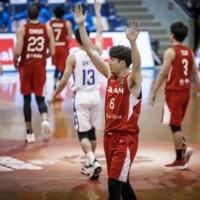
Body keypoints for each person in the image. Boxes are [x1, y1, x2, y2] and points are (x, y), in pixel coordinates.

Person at [71, 4, 142, 200]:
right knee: (123, 183)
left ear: (122, 63)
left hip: (124, 140)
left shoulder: (132, 82)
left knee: (113, 186)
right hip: (109, 138)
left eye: (112, 60)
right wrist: (82, 26)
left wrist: (133, 44)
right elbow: (92, 52)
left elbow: (137, 67)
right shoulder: (110, 76)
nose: (108, 62)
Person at [47, 2, 103, 180]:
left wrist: (54, 95)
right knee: (92, 131)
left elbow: (63, 81)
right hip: (96, 96)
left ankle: (93, 161)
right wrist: (98, 12)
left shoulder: (73, 57)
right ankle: (89, 163)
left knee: (83, 134)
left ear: (76, 39)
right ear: (88, 37)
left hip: (81, 97)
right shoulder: (97, 51)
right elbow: (100, 32)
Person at [150, 22, 200, 170]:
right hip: (186, 91)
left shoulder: (171, 52)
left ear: (172, 35)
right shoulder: (189, 51)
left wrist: (154, 92)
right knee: (174, 123)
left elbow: (162, 73)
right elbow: (195, 73)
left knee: (174, 124)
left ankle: (180, 159)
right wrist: (198, 90)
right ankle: (183, 147)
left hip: (175, 92)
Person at [13, 5, 55, 143]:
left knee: (26, 100)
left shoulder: (22, 29)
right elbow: (52, 52)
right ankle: (44, 119)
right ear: (39, 14)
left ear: (27, 15)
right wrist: (42, 56)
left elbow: (18, 51)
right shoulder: (47, 28)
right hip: (40, 67)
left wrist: (15, 61)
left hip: (26, 67)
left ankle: (29, 133)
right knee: (40, 99)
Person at [47, 6, 72, 100]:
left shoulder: (49, 23)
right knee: (62, 69)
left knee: (57, 68)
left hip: (54, 47)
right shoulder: (67, 23)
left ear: (54, 14)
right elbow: (69, 37)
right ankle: (58, 91)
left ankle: (54, 88)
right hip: (63, 48)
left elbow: (47, 36)